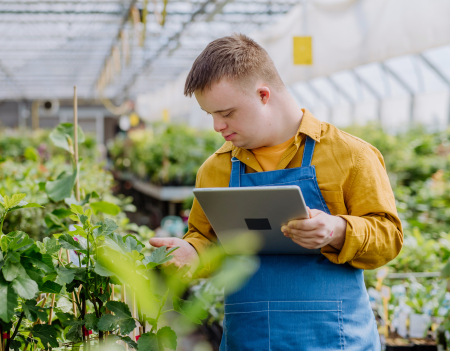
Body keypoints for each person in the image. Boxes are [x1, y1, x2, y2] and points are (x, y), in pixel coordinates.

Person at [149, 34, 403, 350]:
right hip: (249, 339)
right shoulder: (215, 169)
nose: (217, 126)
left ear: (263, 95)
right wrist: (193, 252)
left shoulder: (350, 156)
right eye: (210, 114)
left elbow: (388, 238)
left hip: (335, 340)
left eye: (226, 113)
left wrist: (337, 230)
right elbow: (207, 240)